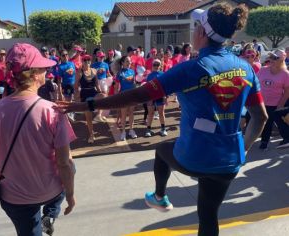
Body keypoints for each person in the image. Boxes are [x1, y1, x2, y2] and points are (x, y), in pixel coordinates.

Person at [57, 3, 268, 236]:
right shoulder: (246, 69)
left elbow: (136, 96)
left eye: (196, 25)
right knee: (208, 216)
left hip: (195, 157)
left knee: (161, 151)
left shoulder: (191, 68)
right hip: (230, 159)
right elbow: (260, 117)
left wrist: (87, 104)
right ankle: (164, 198)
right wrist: (243, 150)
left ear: (201, 32)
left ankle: (160, 197)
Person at [0, 43, 76, 236]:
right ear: (34, 74)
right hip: (50, 190)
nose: (47, 72)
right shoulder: (53, 111)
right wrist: (71, 196)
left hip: (14, 196)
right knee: (71, 168)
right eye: (43, 68)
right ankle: (50, 214)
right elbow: (64, 163)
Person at [257, 49, 289, 150]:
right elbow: (256, 84)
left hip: (275, 103)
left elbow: (287, 91)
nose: (271, 59)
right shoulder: (262, 70)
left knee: (270, 122)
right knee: (261, 120)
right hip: (261, 102)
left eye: (275, 58)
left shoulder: (285, 74)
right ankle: (263, 140)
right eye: (271, 57)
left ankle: (265, 142)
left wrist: (281, 104)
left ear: (281, 60)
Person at [76, 55, 105, 143]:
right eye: (85, 60)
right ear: (82, 61)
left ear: (90, 61)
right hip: (84, 94)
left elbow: (97, 84)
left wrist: (100, 92)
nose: (87, 61)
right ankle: (91, 135)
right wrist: (77, 96)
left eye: (88, 60)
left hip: (93, 92)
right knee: (89, 117)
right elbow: (75, 86)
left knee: (104, 96)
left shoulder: (94, 70)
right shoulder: (79, 72)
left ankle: (99, 115)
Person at [115, 56, 138, 141]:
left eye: (130, 61)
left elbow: (134, 84)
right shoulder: (119, 73)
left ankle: (131, 130)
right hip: (123, 96)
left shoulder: (132, 71)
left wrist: (136, 93)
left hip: (131, 95)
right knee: (123, 114)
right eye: (127, 61)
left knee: (131, 113)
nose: (129, 63)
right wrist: (116, 98)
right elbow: (116, 87)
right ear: (122, 63)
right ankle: (123, 131)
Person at [145, 59, 167, 137]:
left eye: (158, 65)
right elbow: (148, 88)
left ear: (160, 66)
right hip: (152, 97)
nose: (156, 66)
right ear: (152, 65)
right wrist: (149, 99)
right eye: (155, 64)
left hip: (161, 96)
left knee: (161, 113)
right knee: (150, 113)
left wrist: (165, 96)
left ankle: (163, 129)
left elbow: (165, 86)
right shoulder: (149, 76)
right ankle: (148, 129)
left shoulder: (163, 74)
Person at [91, 51, 111, 122]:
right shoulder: (93, 65)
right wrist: (97, 71)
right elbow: (91, 74)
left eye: (103, 57)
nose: (102, 58)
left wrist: (112, 78)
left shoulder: (106, 64)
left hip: (104, 81)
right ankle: (97, 114)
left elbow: (108, 73)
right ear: (97, 57)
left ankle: (101, 114)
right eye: (100, 57)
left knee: (104, 96)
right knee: (97, 97)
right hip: (97, 81)